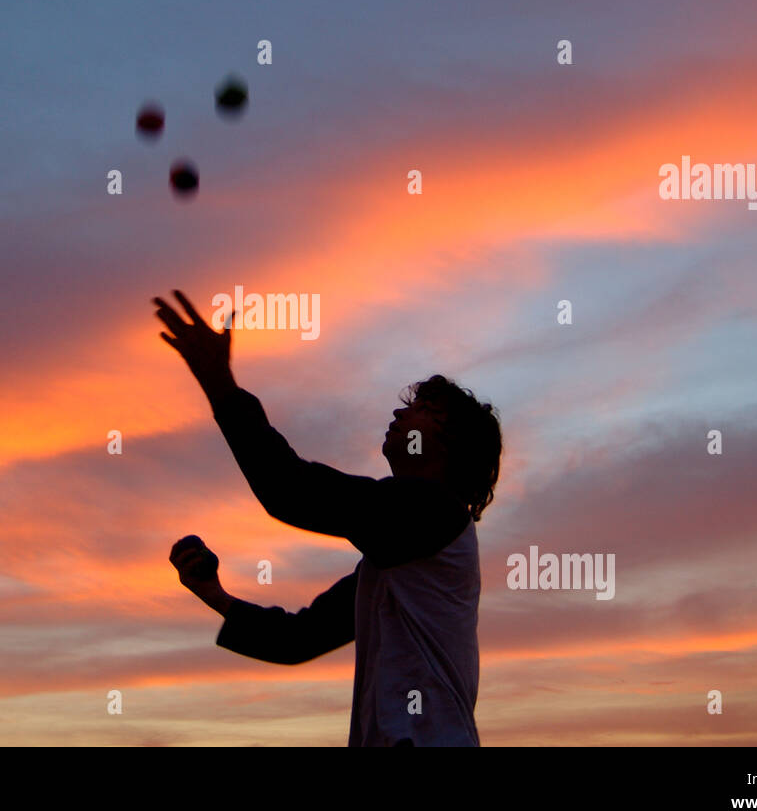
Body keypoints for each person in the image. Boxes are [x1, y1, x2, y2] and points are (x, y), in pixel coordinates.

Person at [155, 290, 502, 746]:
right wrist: (213, 593)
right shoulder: (394, 563)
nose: (400, 410)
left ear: (451, 441)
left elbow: (291, 490)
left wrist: (218, 382)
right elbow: (297, 638)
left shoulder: (435, 510)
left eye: (420, 408)